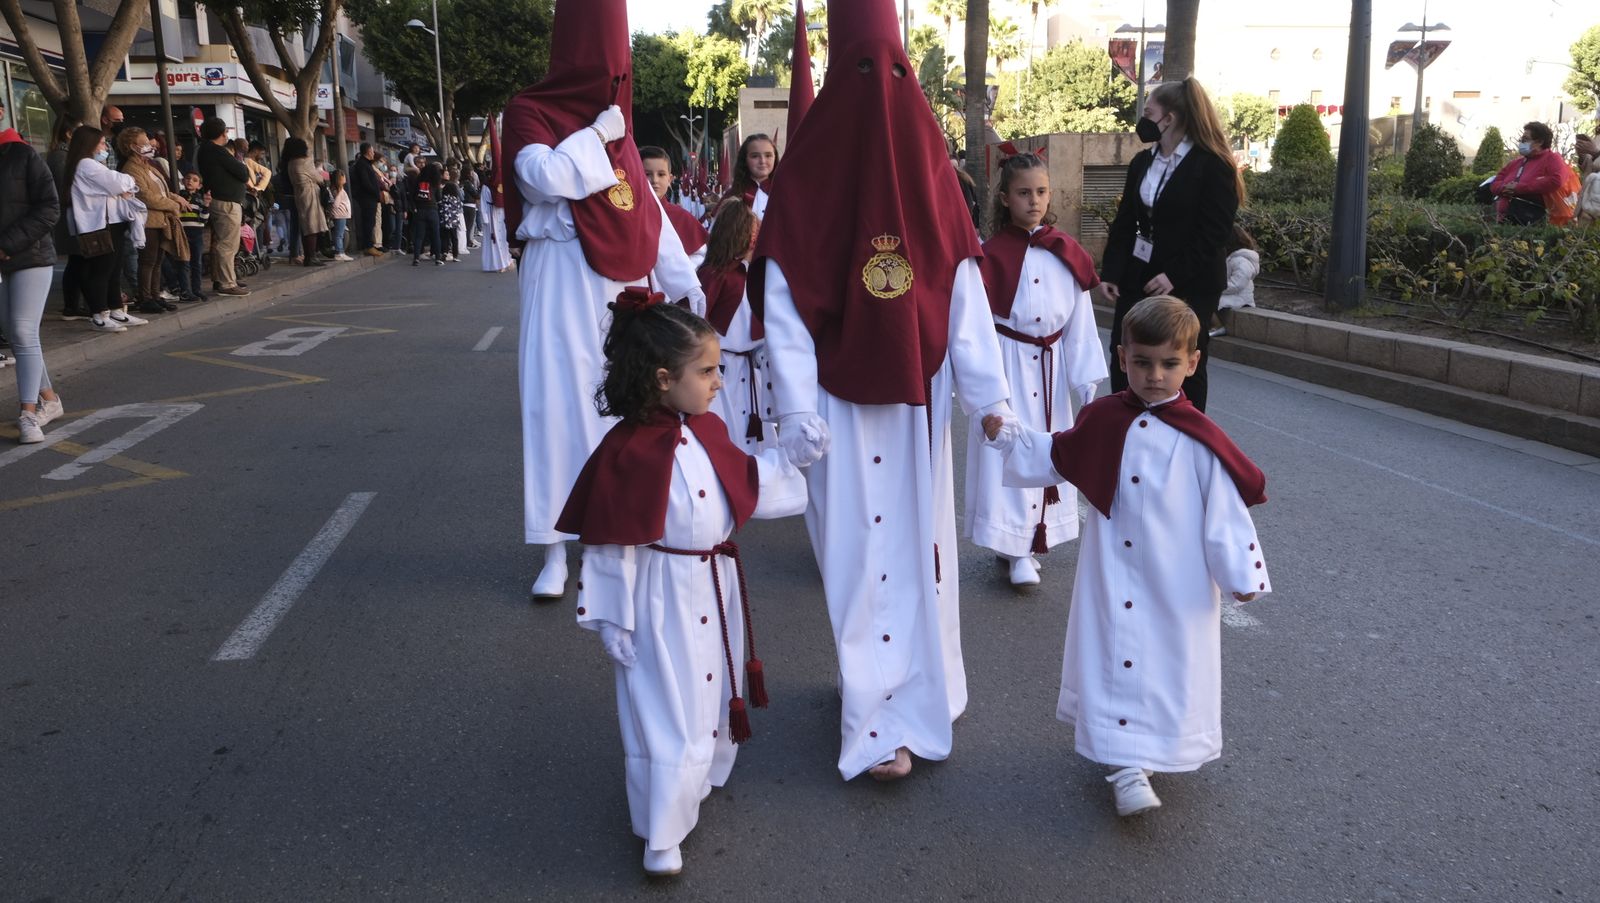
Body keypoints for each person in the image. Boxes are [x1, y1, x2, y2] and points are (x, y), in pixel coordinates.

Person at [751, 0, 1015, 782]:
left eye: (892, 71)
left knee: (920, 550)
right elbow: (785, 301)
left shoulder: (931, 171)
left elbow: (961, 287)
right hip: (834, 403)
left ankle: (928, 689)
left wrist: (988, 394)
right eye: (862, 70)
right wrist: (795, 410)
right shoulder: (805, 180)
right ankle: (873, 716)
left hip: (916, 400)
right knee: (859, 554)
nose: (880, 87)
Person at [980, 295, 1270, 818]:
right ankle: (1125, 763)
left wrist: (1240, 573)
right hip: (1112, 571)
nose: (1154, 375)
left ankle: (1153, 749)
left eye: (1168, 364)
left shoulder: (1200, 441)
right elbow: (1057, 453)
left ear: (1192, 363)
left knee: (1168, 663)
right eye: (1142, 363)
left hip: (1175, 580)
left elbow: (1225, 514)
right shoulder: (1104, 418)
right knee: (1115, 651)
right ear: (1122, 358)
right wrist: (1010, 438)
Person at [556, 290, 808, 877]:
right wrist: (611, 615)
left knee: (711, 691)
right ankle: (660, 831)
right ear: (665, 378)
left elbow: (741, 481)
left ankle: (703, 773)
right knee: (662, 709)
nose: (720, 381)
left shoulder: (706, 429)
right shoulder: (626, 452)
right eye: (709, 371)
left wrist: (791, 457)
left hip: (714, 583)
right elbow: (610, 538)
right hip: (659, 596)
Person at [501, 0, 706, 600]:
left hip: (617, 284)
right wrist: (595, 135)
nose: (615, 83)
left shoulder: (619, 124)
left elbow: (644, 210)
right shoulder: (530, 109)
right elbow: (545, 178)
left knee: (622, 404)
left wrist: (688, 285)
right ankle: (551, 548)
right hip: (560, 276)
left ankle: (609, 536)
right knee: (554, 406)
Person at [965, 152, 1106, 590]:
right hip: (1007, 364)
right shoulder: (988, 256)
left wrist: (1086, 383)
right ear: (1005, 198)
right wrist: (984, 390)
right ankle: (1015, 547)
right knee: (1011, 447)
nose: (1034, 201)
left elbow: (1080, 319)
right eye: (1024, 193)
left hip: (1050, 368)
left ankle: (1033, 538)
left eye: (1041, 192)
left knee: (1051, 449)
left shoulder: (1066, 252)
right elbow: (974, 324)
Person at [1101, 77, 1242, 412]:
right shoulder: (1143, 162)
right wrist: (1112, 271)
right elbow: (1125, 221)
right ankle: (1128, 424)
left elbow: (1215, 233)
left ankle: (1187, 432)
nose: (1144, 120)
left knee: (1183, 358)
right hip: (1141, 274)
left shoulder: (1212, 164)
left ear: (1170, 117)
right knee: (1124, 348)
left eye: (1149, 112)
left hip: (1190, 281)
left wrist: (1173, 276)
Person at [0, 106, 64, 444]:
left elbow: (50, 207)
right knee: (15, 332)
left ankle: (28, 413)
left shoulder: (23, 155)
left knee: (23, 332)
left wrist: (6, 244)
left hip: (31, 255)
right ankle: (50, 400)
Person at [697, 199, 770, 453]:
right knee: (726, 433)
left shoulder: (754, 273)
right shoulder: (715, 275)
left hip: (752, 368)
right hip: (722, 369)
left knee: (758, 436)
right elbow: (697, 321)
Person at [64, 126, 140, 331]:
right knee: (101, 270)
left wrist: (123, 187)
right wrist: (125, 185)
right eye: (101, 143)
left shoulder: (88, 164)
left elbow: (119, 185)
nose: (105, 147)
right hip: (100, 224)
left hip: (108, 222)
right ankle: (99, 313)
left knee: (113, 269)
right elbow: (119, 182)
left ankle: (116, 310)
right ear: (88, 144)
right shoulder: (87, 164)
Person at [119, 127, 189, 314]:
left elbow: (161, 191)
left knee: (158, 260)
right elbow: (146, 196)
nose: (150, 146)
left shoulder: (148, 166)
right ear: (133, 146)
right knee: (148, 261)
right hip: (148, 221)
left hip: (160, 220)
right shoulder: (131, 169)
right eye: (145, 144)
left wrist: (175, 198)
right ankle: (146, 297)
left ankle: (155, 295)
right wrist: (172, 205)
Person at [196, 118, 249, 296]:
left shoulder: (205, 150)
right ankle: (227, 282)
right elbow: (242, 173)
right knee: (228, 244)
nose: (227, 135)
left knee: (221, 241)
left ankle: (221, 278)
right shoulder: (217, 151)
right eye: (225, 132)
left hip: (221, 200)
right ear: (220, 133)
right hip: (226, 202)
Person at [46, 116, 90, 321]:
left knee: (78, 260)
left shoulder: (69, 155)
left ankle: (74, 304)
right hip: (69, 214)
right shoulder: (60, 157)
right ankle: (72, 305)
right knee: (78, 260)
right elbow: (68, 185)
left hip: (74, 213)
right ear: (68, 134)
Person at [1490, 121, 1574, 226]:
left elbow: (1556, 181)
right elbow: (1495, 183)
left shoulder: (1552, 158)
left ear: (1539, 142)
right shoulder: (1515, 163)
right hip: (1503, 220)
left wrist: (1519, 188)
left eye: (1525, 140)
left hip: (1531, 221)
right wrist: (1504, 188)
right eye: (1521, 140)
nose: (1521, 143)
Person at [641, 145, 707, 270]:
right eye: (647, 174)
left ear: (669, 179)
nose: (654, 180)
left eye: (661, 174)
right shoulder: (628, 215)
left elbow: (700, 255)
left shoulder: (682, 217)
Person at [281, 138, 327, 267]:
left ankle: (309, 256)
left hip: (299, 195)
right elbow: (318, 178)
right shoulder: (304, 162)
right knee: (313, 226)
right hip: (310, 194)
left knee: (306, 227)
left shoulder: (289, 162)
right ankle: (311, 257)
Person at [1211, 224, 1259, 336]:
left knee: (1208, 301)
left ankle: (1217, 326)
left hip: (1240, 298)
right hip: (1230, 294)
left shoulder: (1242, 260)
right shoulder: (1231, 258)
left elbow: (1237, 285)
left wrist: (1216, 288)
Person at [176, 171, 209, 301]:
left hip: (196, 234)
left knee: (197, 262)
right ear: (183, 181)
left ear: (199, 185)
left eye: (194, 180)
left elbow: (203, 220)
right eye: (188, 178)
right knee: (183, 262)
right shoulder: (178, 197)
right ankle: (185, 290)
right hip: (182, 233)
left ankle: (197, 289)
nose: (190, 181)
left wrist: (206, 205)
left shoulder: (200, 199)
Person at [729, 134, 777, 219]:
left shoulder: (784, 193)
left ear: (775, 157)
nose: (762, 161)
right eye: (755, 156)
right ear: (745, 159)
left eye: (768, 155)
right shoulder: (732, 195)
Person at [408, 156, 443, 266]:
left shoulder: (418, 181)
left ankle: (416, 258)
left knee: (419, 236)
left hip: (420, 210)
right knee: (435, 235)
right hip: (432, 210)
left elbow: (413, 196)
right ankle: (438, 258)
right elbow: (439, 197)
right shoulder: (435, 183)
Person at [350, 143, 384, 256]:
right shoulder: (361, 164)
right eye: (372, 151)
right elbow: (365, 182)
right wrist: (375, 192)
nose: (373, 153)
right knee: (368, 222)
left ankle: (370, 245)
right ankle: (367, 246)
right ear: (368, 151)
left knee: (371, 221)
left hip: (371, 198)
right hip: (367, 198)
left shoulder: (367, 164)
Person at [479, 165, 512, 273]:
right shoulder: (486, 186)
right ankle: (495, 263)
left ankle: (506, 261)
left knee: (503, 238)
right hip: (490, 213)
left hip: (501, 214)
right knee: (493, 241)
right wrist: (485, 218)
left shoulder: (504, 184)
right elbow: (483, 203)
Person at [328, 169, 352, 261]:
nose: (345, 178)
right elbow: (335, 204)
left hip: (340, 214)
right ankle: (339, 252)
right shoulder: (339, 190)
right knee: (339, 235)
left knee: (339, 234)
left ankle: (341, 251)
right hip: (340, 214)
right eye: (343, 176)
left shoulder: (336, 189)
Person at [439, 175, 462, 262]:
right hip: (453, 221)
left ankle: (444, 252)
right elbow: (459, 207)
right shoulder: (456, 199)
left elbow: (440, 206)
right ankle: (455, 255)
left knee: (445, 237)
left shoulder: (443, 198)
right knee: (454, 238)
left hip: (444, 220)